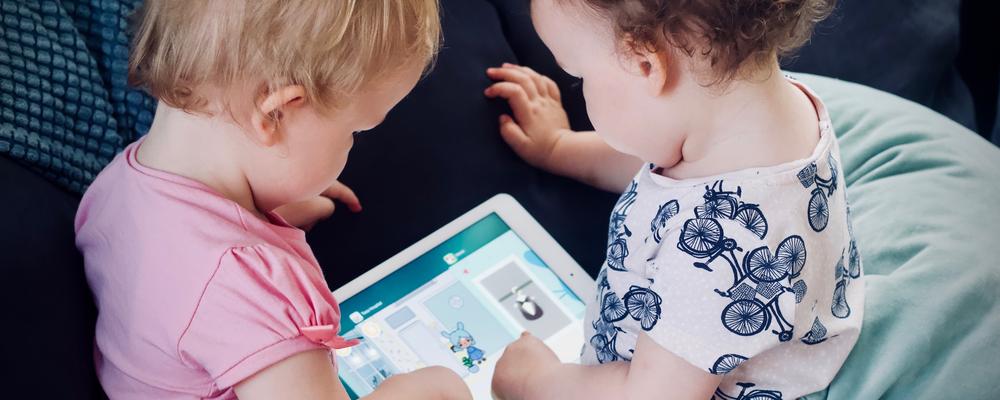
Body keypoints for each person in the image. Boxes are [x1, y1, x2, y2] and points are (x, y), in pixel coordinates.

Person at [75, 1, 471, 399]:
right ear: (277, 114)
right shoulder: (258, 292)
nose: (353, 147)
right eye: (355, 131)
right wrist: (433, 389)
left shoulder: (119, 183)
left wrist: (264, 210)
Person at [485, 0, 864, 398]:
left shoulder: (720, 251)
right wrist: (558, 148)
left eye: (579, 76)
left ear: (646, 64)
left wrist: (534, 383)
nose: (581, 91)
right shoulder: (752, 115)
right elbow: (660, 165)